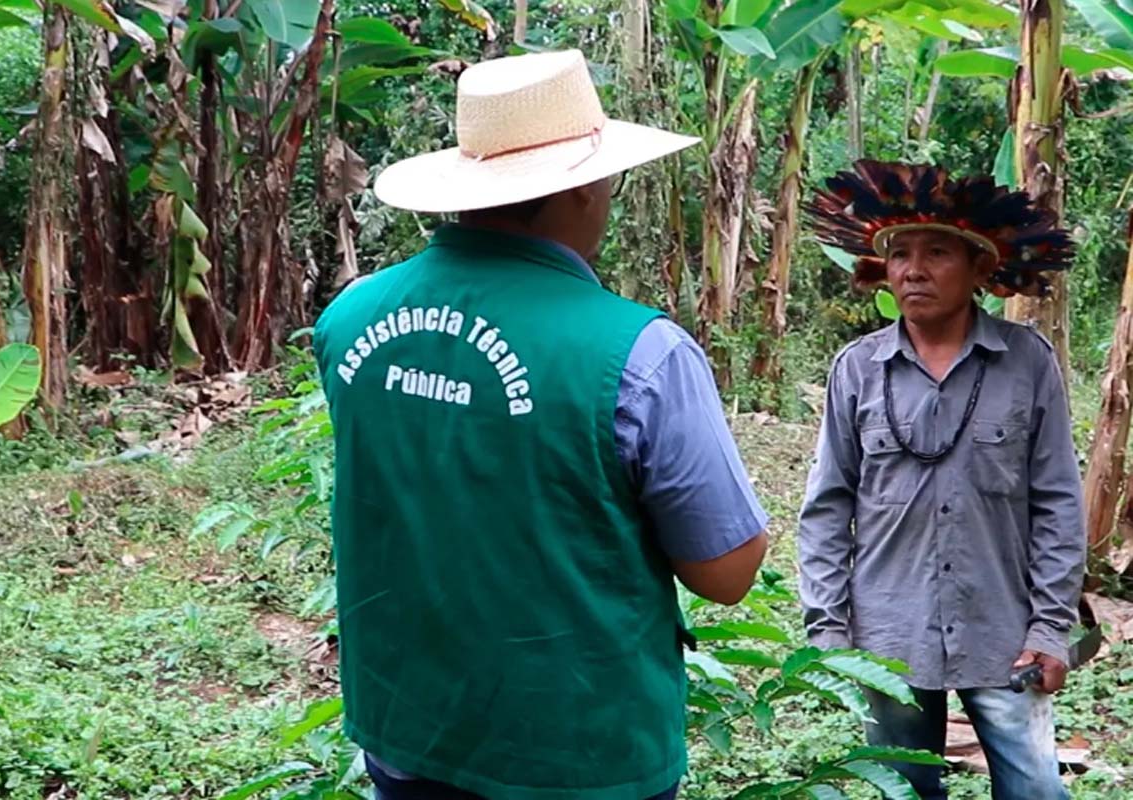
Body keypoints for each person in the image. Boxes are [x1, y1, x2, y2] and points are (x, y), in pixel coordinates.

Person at [313, 49, 769, 800]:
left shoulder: (351, 319)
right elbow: (726, 573)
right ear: (586, 186)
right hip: (580, 750)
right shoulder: (640, 355)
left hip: (407, 728)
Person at [799, 161, 1086, 800]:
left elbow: (1058, 503)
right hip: (887, 634)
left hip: (1003, 632)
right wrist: (828, 631)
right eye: (899, 255)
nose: (913, 270)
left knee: (1036, 790)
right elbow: (825, 509)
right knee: (902, 790)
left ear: (980, 270)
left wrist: (1049, 629)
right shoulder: (857, 369)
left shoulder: (1027, 363)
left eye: (936, 252)